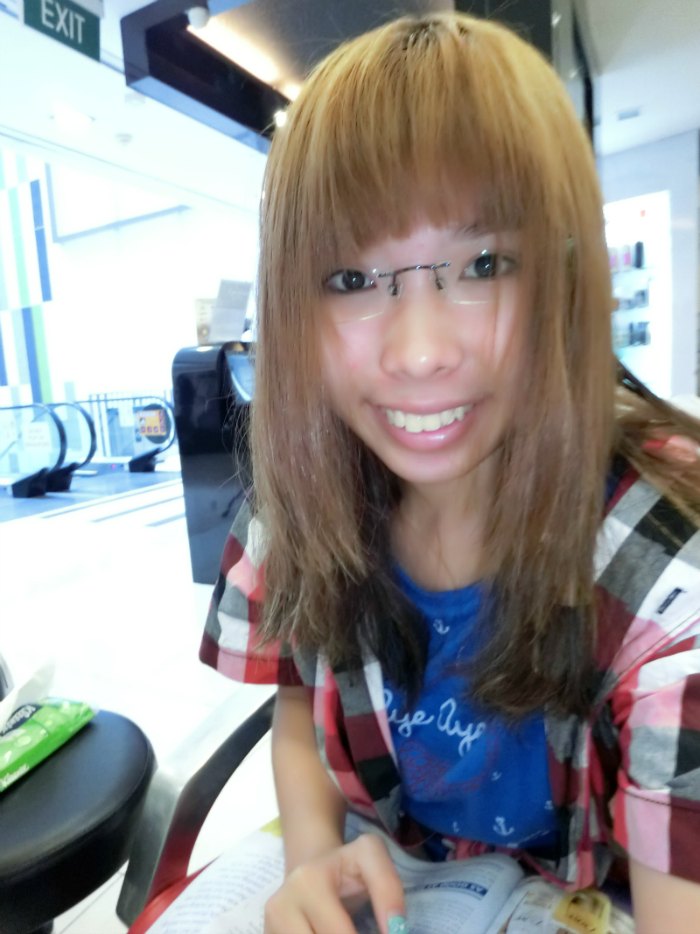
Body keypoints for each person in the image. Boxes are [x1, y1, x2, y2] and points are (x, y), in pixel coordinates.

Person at [200, 11, 700, 933]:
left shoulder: (668, 579)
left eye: (483, 263)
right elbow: (301, 698)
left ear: (561, 279)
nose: (421, 352)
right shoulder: (300, 509)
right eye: (352, 279)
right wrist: (313, 861)